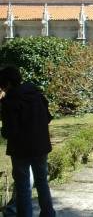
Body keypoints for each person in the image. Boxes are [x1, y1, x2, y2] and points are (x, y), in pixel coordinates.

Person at [0, 66, 55, 217]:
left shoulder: (9, 102)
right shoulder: (36, 94)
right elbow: (48, 118)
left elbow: (8, 131)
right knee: (42, 182)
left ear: (8, 83)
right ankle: (49, 214)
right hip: (41, 146)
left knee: (23, 187)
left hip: (20, 150)